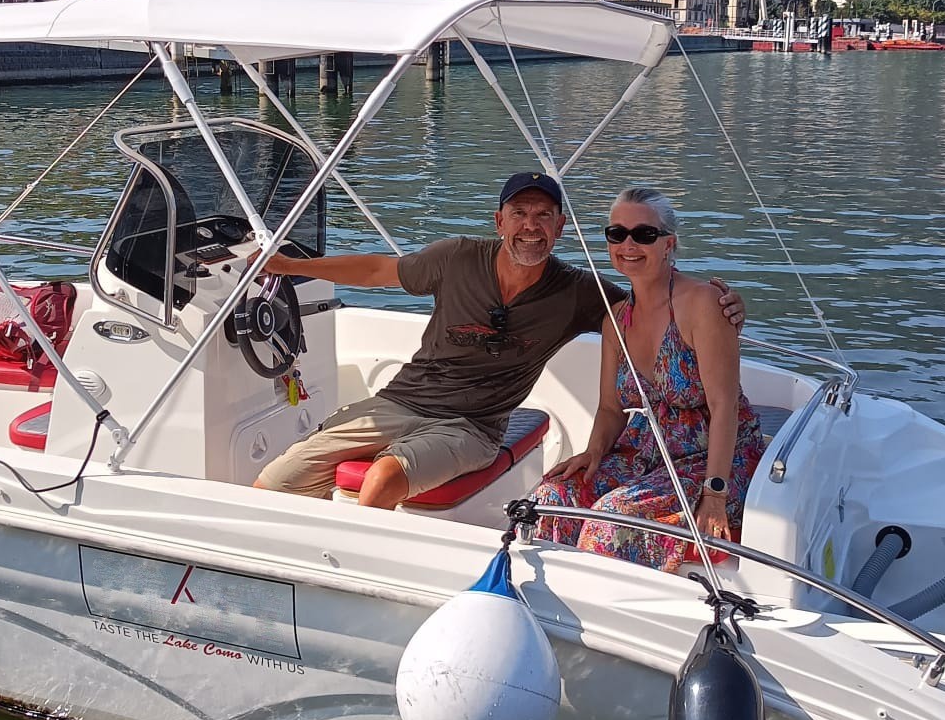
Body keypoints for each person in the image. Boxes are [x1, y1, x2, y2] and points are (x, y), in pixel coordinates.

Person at [253, 171, 745, 509]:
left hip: (473, 426)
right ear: (500, 221)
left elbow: (655, 295)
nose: (530, 226)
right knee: (272, 483)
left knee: (382, 478)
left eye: (544, 216)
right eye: (520, 213)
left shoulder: (579, 293)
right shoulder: (457, 257)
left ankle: (352, 583)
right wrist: (293, 266)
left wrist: (730, 307)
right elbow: (380, 270)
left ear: (560, 228)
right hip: (398, 403)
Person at [532, 184, 766, 569]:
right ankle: (554, 603)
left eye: (644, 234)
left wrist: (716, 494)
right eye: (617, 233)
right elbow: (611, 408)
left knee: (608, 521)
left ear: (668, 243)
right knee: (552, 497)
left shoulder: (702, 304)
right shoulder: (615, 320)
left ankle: (604, 611)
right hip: (647, 451)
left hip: (712, 458)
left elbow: (724, 407)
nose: (629, 244)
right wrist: (592, 452)